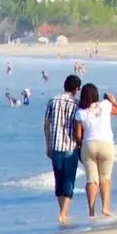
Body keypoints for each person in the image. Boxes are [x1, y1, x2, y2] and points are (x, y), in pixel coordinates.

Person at [73, 83, 117, 219]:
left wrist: (79, 145)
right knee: (105, 178)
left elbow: (78, 135)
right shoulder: (105, 105)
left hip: (88, 145)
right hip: (106, 144)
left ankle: (91, 211)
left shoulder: (80, 112)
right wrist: (113, 101)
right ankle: (105, 208)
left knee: (91, 180)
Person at [42, 74, 82, 225]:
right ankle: (63, 213)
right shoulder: (77, 104)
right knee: (69, 180)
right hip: (71, 146)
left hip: (55, 146)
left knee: (58, 180)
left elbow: (46, 124)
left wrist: (47, 145)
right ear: (76, 89)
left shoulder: (52, 101)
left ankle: (62, 212)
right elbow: (79, 126)